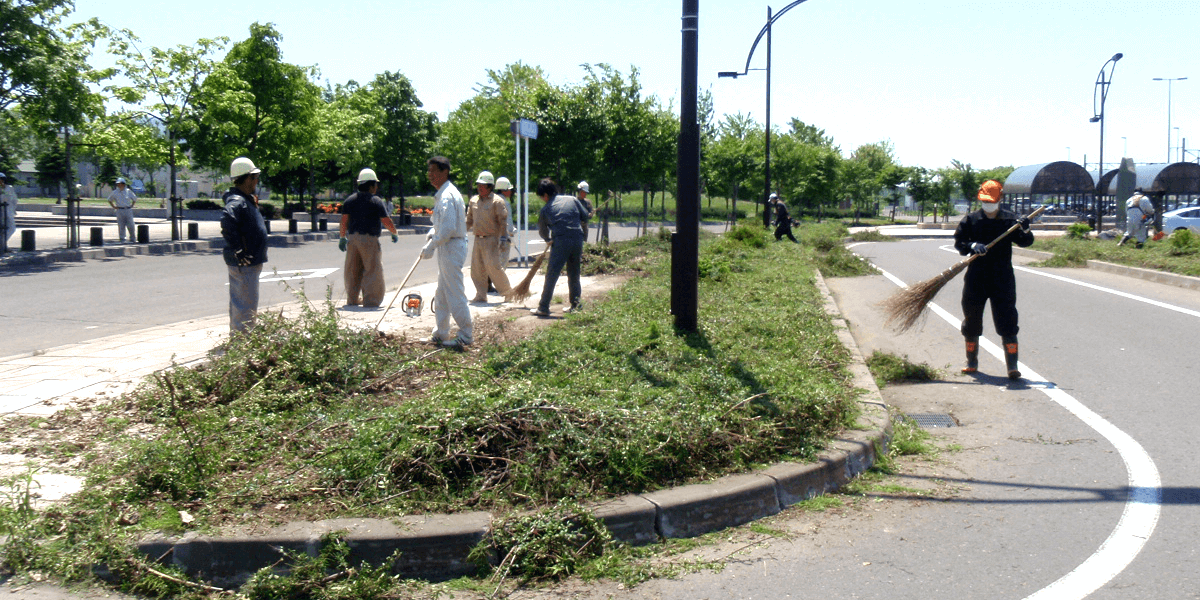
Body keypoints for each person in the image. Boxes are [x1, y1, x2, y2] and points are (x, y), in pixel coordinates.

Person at [953, 179, 1034, 380]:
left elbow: (1025, 242)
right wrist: (972, 246)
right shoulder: (971, 220)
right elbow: (959, 242)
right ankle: (972, 361)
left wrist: (1025, 229)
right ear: (980, 199)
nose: (988, 204)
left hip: (1002, 278)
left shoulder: (1010, 220)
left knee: (1007, 319)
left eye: (992, 201)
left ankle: (1012, 366)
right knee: (971, 318)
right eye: (985, 201)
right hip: (976, 277)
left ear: (1000, 199)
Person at [421, 156, 473, 346]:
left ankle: (466, 334)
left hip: (451, 246)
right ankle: (441, 332)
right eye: (429, 172)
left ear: (445, 172)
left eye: (434, 171)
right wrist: (433, 232)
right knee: (442, 292)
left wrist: (432, 245)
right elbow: (443, 224)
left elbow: (449, 228)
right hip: (448, 246)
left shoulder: (447, 195)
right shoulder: (444, 194)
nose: (431, 175)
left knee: (454, 292)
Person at [220, 157, 269, 333]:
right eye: (255, 176)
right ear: (246, 178)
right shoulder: (238, 201)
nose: (257, 180)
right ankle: (242, 342)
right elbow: (227, 218)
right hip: (245, 262)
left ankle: (239, 338)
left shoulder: (243, 199)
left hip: (248, 260)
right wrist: (238, 250)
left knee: (241, 301)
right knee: (245, 304)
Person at [337, 168, 399, 307]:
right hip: (369, 239)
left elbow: (344, 221)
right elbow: (386, 219)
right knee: (372, 269)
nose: (376, 187)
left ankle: (352, 299)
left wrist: (342, 237)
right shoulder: (375, 201)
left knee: (352, 269)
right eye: (375, 184)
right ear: (371, 185)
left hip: (353, 239)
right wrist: (394, 232)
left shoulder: (350, 200)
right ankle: (371, 301)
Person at [532, 178, 589, 317]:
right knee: (574, 273)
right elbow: (585, 216)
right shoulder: (572, 200)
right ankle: (576, 305)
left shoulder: (546, 209)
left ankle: (543, 307)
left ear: (545, 195)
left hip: (561, 241)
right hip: (577, 239)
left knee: (552, 274)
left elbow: (542, 230)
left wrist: (548, 239)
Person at [465, 171, 514, 302]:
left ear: (490, 187)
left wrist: (503, 239)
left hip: (492, 239)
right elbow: (468, 220)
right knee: (476, 269)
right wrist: (460, 233)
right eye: (478, 185)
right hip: (478, 239)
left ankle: (508, 294)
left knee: (494, 268)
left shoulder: (497, 202)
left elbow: (503, 222)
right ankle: (481, 295)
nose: (479, 188)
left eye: (482, 185)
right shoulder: (473, 201)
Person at [494, 176, 518, 273]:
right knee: (502, 264)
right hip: (503, 238)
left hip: (492, 237)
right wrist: (512, 232)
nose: (511, 191)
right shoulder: (505, 203)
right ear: (504, 190)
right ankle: (499, 285)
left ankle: (489, 285)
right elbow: (508, 222)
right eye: (509, 189)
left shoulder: (492, 200)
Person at [108, 177, 138, 243]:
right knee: (121, 225)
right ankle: (122, 239)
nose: (119, 185)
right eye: (118, 184)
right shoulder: (115, 192)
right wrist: (114, 206)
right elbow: (109, 200)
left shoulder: (128, 191)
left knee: (131, 225)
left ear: (124, 184)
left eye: (121, 184)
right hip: (120, 210)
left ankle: (133, 238)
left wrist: (132, 205)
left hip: (127, 209)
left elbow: (134, 199)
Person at [1, 173, 17, 251]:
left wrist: (14, 210)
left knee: (12, 228)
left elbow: (14, 199)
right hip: (1, 212)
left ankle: (3, 244)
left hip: (9, 211)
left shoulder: (9, 188)